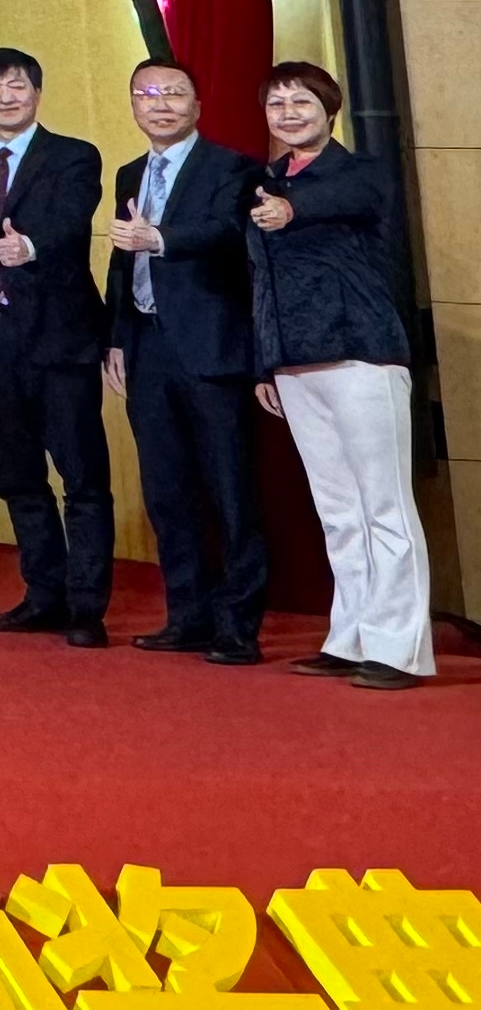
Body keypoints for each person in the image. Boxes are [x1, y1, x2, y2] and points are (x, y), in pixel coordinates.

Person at [250, 62, 431, 689]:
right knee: (338, 510)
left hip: (362, 355)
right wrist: (266, 361)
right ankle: (350, 636)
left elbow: (345, 200)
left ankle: (399, 649)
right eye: (277, 104)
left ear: (330, 111)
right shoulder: (263, 182)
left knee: (385, 507)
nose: (289, 113)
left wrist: (291, 208)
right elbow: (260, 279)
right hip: (295, 363)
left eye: (301, 101)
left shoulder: (363, 171)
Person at [105, 57, 267, 664]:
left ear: (197, 105)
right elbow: (121, 259)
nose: (161, 103)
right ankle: (187, 615)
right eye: (147, 93)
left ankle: (238, 626)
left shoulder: (232, 167)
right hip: (146, 345)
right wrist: (116, 336)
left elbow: (230, 233)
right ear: (133, 106)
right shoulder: (129, 173)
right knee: (166, 488)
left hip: (211, 344)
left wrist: (161, 239)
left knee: (230, 489)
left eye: (174, 93)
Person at [0, 44, 113, 647]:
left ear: (37, 92)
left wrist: (30, 247)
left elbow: (70, 222)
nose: (5, 96)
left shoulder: (73, 155)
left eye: (16, 85)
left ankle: (87, 607)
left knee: (82, 478)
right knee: (19, 478)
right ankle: (43, 594)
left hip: (60, 338)